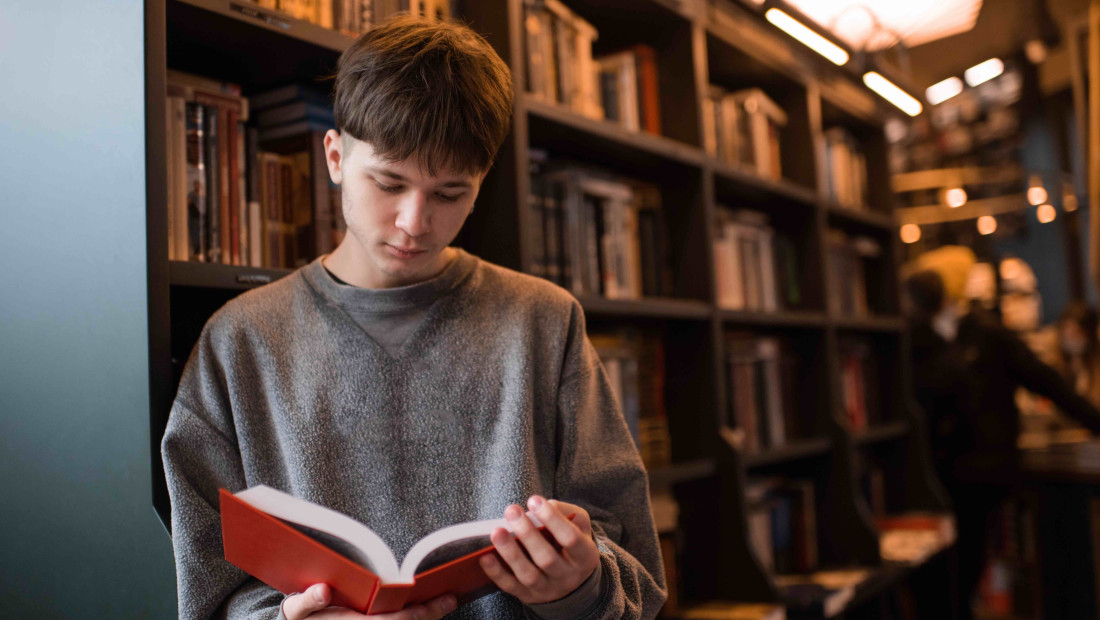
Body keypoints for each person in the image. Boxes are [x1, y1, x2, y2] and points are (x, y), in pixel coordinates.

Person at [161, 16, 666, 620]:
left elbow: (634, 569)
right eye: (389, 182)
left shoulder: (544, 323)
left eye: (450, 194)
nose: (413, 222)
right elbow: (203, 585)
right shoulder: (239, 339)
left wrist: (578, 586)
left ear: (480, 186)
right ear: (335, 157)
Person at [905, 247, 1100, 620]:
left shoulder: (983, 335)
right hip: (940, 479)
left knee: (966, 567)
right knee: (943, 577)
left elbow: (1047, 382)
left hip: (980, 475)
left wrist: (1095, 422)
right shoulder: (922, 340)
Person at [1055, 301, 1100, 408]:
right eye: (1067, 333)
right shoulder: (1057, 363)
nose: (1071, 338)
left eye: (1077, 333)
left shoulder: (1095, 366)